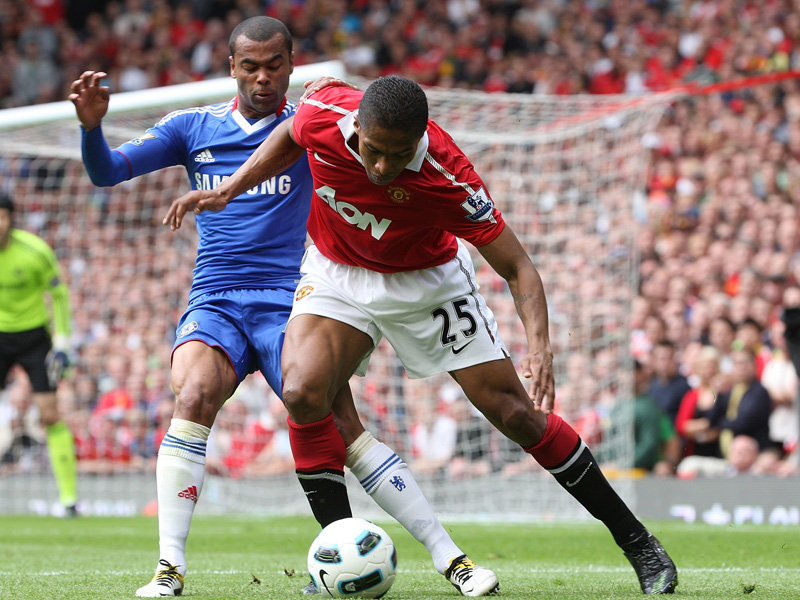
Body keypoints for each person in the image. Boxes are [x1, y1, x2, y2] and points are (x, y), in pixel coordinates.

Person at [166, 74, 679, 595]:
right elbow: (291, 133)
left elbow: (519, 267)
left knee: (515, 414)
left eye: (399, 154)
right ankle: (338, 552)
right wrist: (231, 187)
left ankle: (637, 541)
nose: (382, 167)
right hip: (338, 272)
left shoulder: (449, 178)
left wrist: (540, 346)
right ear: (357, 126)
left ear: (421, 138)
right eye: (373, 150)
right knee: (302, 390)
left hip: (427, 285)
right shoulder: (324, 113)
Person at [69, 17, 497, 598]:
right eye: (251, 67)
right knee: (191, 396)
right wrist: (91, 128)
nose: (263, 78)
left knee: (344, 427)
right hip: (216, 298)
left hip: (293, 301)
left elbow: (385, 172)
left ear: (292, 65)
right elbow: (106, 172)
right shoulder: (193, 127)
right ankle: (169, 569)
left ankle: (453, 559)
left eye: (275, 66)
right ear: (232, 67)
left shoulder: (316, 129)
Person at [0, 194, 78, 516]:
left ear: (11, 219)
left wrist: (61, 343)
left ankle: (69, 500)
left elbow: (58, 294)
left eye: (2, 216)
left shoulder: (35, 251)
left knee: (49, 414)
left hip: (34, 338)